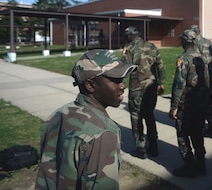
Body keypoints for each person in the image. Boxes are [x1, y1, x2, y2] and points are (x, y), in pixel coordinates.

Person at [35, 49, 137, 190]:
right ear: (90, 85)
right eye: (115, 80)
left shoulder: (59, 114)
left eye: (123, 80)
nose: (123, 86)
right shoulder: (102, 132)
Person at [169, 30, 210, 178]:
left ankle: (189, 166)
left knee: (183, 135)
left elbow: (179, 84)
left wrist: (174, 106)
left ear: (185, 41)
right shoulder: (202, 57)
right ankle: (201, 165)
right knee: (198, 135)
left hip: (187, 105)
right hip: (200, 103)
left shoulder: (183, 59)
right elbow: (207, 82)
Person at [121, 26, 166, 158]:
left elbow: (123, 68)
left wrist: (120, 83)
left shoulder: (128, 48)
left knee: (136, 117)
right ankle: (153, 146)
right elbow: (160, 65)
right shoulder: (152, 46)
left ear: (129, 36)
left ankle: (141, 148)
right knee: (149, 116)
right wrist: (161, 82)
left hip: (136, 88)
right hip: (151, 87)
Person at [189, 25, 212, 137]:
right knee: (204, 101)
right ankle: (206, 126)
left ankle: (211, 127)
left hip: (205, 75)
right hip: (207, 74)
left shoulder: (201, 43)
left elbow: (206, 60)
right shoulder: (207, 41)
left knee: (206, 101)